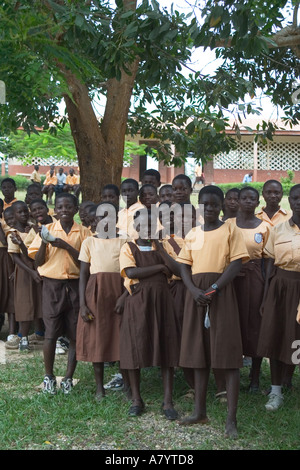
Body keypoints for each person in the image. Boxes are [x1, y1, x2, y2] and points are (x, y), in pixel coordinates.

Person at [176, 185, 249, 438]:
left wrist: (215, 288)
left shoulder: (231, 229)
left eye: (214, 205)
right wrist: (193, 290)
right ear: (199, 206)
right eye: (205, 204)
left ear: (222, 206)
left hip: (221, 294)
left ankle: (231, 419)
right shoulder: (193, 233)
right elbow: (184, 265)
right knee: (199, 353)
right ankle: (199, 411)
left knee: (227, 354)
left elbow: (236, 262)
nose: (209, 209)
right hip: (195, 296)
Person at [119, 208, 180, 419]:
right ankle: (137, 399)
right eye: (142, 225)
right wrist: (159, 268)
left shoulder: (164, 247)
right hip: (139, 302)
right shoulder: (128, 248)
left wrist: (162, 250)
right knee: (135, 346)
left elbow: (176, 270)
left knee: (167, 347)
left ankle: (168, 401)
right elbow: (131, 272)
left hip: (163, 301)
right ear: (135, 227)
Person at [28, 193, 91, 394]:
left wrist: (65, 246)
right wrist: (45, 242)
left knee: (74, 333)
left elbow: (85, 263)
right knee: (51, 333)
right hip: (52, 286)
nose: (64, 210)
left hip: (75, 285)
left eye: (68, 207)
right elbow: (37, 262)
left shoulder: (84, 232)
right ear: (54, 210)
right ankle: (48, 377)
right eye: (60, 207)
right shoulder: (46, 231)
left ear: (75, 209)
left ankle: (68, 378)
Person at [77, 202, 128, 401]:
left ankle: (127, 384)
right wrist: (83, 304)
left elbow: (130, 273)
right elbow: (83, 275)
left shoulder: (125, 241)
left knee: (121, 337)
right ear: (94, 221)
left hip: (119, 291)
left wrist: (125, 296)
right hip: (95, 294)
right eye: (100, 218)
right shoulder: (89, 242)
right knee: (97, 336)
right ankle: (100, 387)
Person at [257, 184, 300, 411]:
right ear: (289, 201)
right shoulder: (279, 230)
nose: (299, 201)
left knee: (296, 337)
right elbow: (270, 265)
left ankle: (288, 379)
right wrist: (266, 298)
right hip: (280, 287)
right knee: (276, 333)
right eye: (295, 198)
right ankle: (275, 391)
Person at [228, 187, 270, 392]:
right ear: (236, 201)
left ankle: (255, 377)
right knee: (231, 324)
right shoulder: (227, 224)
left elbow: (268, 260)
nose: (246, 201)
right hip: (230, 278)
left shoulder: (264, 227)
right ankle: (229, 376)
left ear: (257, 202)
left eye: (251, 198)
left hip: (254, 279)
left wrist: (266, 285)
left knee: (255, 325)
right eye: (242, 198)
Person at [6, 201, 43, 352]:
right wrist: (31, 272)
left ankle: (39, 332)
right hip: (24, 272)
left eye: (25, 212)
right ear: (13, 215)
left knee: (38, 300)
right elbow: (15, 258)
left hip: (38, 268)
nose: (23, 215)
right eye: (19, 212)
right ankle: (22, 335)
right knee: (25, 303)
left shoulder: (33, 230)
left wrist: (34, 230)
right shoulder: (13, 234)